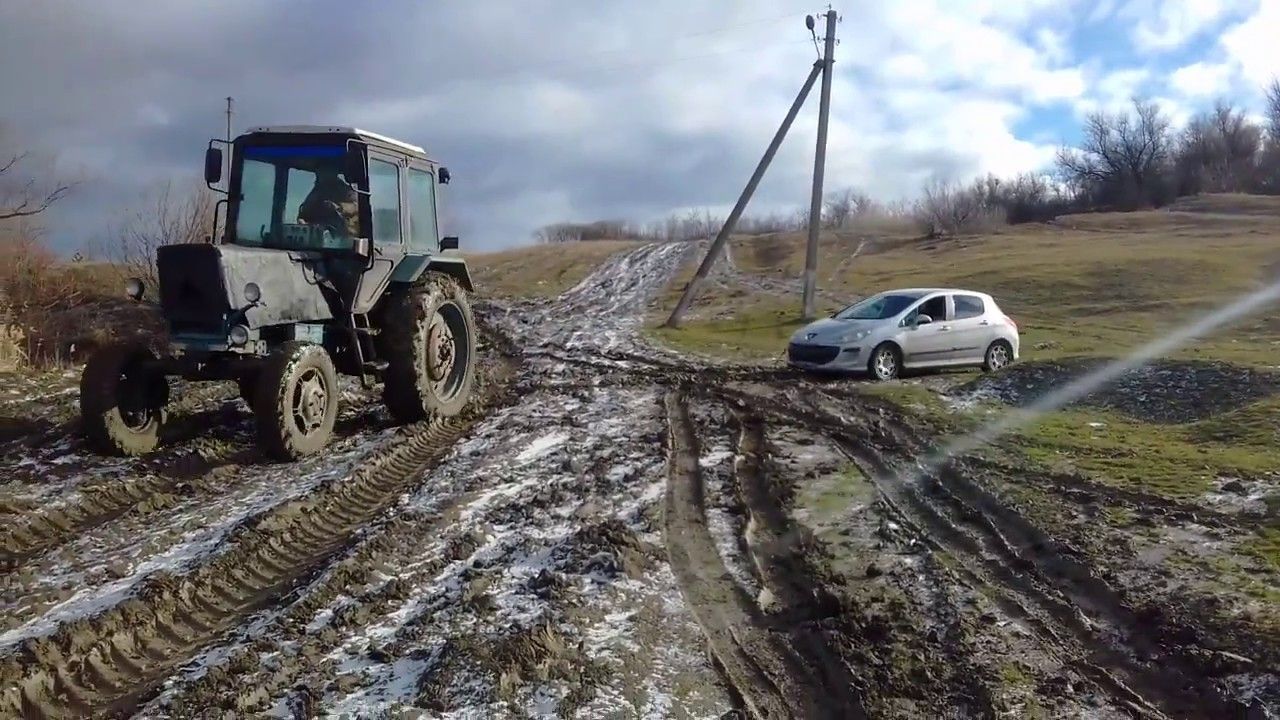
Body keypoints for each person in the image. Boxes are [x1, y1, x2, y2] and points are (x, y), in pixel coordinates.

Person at [297, 167, 359, 237]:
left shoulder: (345, 190)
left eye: (324, 171)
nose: (320, 175)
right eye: (319, 172)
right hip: (318, 237)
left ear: (333, 173)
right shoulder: (316, 192)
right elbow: (305, 211)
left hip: (343, 238)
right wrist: (302, 221)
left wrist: (339, 207)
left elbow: (357, 206)